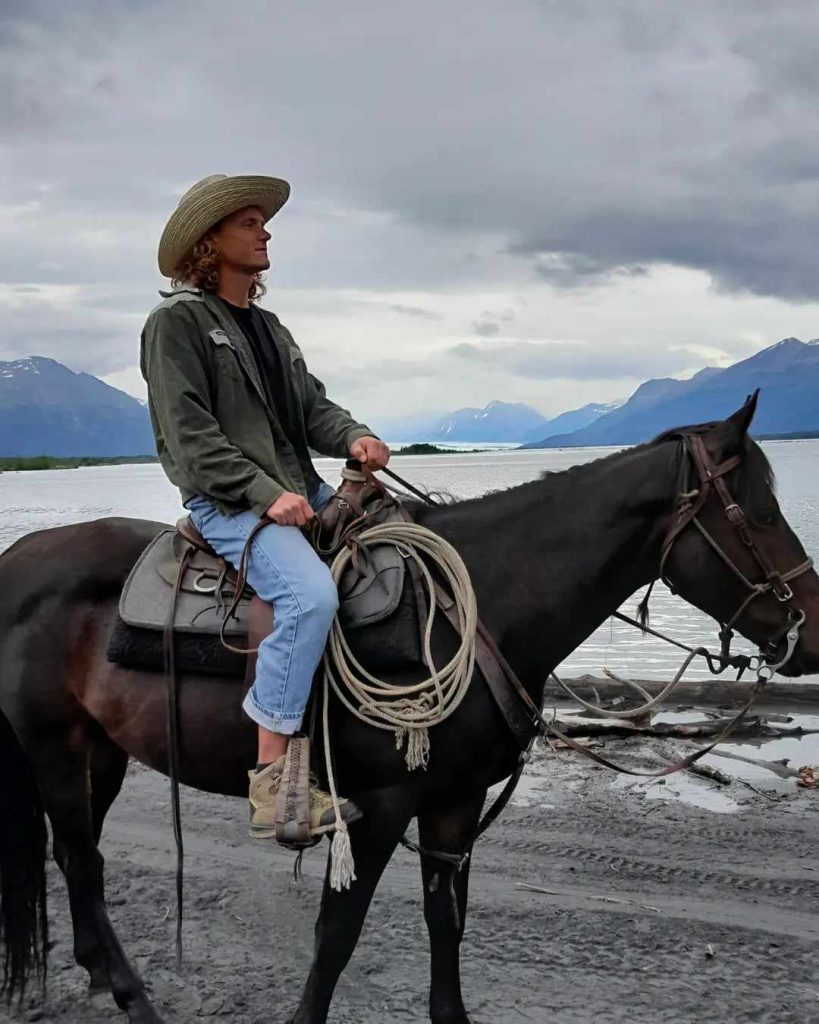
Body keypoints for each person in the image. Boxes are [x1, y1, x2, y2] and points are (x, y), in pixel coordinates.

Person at [140, 174, 390, 839]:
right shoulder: (176, 324)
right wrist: (262, 495)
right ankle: (272, 782)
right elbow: (191, 438)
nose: (265, 231)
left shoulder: (271, 328)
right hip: (228, 499)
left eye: (262, 221)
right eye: (248, 222)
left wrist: (354, 436)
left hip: (294, 485)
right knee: (309, 598)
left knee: (405, 547)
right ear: (209, 240)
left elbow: (313, 409)